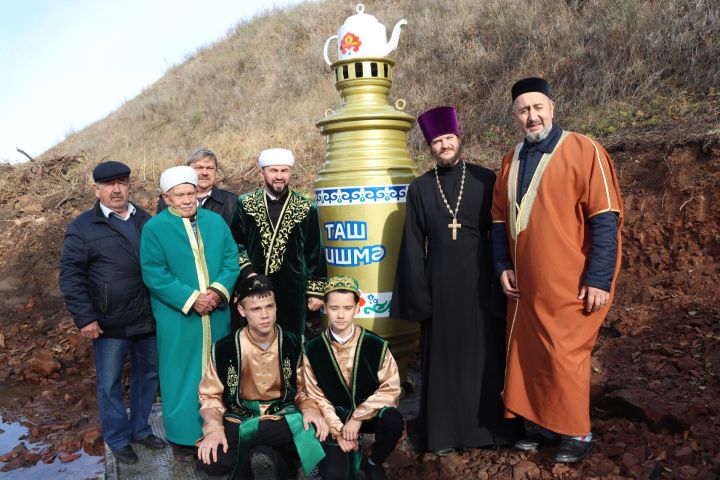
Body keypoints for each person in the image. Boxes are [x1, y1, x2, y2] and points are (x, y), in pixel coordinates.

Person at [491, 77, 623, 463]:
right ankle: (545, 427)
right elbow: (499, 221)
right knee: (531, 354)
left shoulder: (585, 150)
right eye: (523, 110)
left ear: (552, 107)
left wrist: (598, 278)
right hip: (525, 285)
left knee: (566, 354)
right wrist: (502, 265)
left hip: (570, 282)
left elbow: (604, 218)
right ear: (515, 115)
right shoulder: (510, 158)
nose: (531, 116)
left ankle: (577, 433)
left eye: (537, 108)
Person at [391, 106, 522, 455]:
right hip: (440, 289)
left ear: (459, 138)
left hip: (481, 284)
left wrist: (501, 277)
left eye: (448, 138)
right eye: (437, 141)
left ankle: (492, 432)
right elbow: (412, 246)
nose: (444, 145)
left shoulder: (484, 179)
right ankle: (443, 435)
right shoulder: (419, 189)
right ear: (430, 147)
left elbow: (501, 233)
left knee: (485, 358)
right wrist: (420, 299)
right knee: (443, 361)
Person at [59, 161, 166, 464]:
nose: (116, 189)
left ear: (129, 185)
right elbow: (70, 276)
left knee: (149, 376)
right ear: (97, 189)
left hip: (148, 318)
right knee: (109, 383)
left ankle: (141, 429)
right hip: (108, 323)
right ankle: (118, 439)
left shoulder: (146, 220)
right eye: (108, 184)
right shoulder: (83, 227)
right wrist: (85, 318)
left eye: (122, 182)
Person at [140, 166, 239, 462]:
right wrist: (192, 298)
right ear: (166, 197)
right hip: (178, 318)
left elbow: (231, 260)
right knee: (179, 375)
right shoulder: (154, 229)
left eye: (190, 193)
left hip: (217, 313)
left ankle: (220, 429)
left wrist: (217, 292)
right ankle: (183, 438)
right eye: (179, 195)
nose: (186, 200)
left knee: (218, 370)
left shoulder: (215, 222)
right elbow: (154, 272)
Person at [195, 274, 327, 479]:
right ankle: (262, 455)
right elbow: (210, 396)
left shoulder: (294, 343)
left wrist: (310, 409)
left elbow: (304, 389)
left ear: (276, 307)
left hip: (283, 417)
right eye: (256, 309)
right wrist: (214, 428)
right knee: (210, 462)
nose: (264, 315)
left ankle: (269, 454)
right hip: (240, 417)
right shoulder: (224, 349)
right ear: (241, 310)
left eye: (269, 306)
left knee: (315, 431)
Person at [304, 276, 404, 480]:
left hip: (369, 415)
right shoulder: (313, 349)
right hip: (336, 418)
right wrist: (340, 431)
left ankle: (374, 462)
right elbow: (315, 395)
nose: (340, 315)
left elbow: (390, 389)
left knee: (394, 421)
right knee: (334, 475)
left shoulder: (375, 344)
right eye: (334, 308)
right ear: (325, 308)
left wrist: (358, 417)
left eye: (347, 308)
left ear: (357, 308)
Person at [230, 148, 327, 335]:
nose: (279, 176)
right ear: (262, 173)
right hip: (255, 287)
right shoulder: (245, 203)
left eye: (284, 171)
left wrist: (316, 291)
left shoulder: (306, 207)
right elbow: (235, 243)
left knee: (291, 341)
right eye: (274, 171)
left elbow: (314, 251)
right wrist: (248, 273)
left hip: (293, 290)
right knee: (256, 341)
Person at [156, 147, 237, 225]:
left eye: (210, 168)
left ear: (216, 171)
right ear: (187, 170)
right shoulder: (168, 200)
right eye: (199, 167)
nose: (204, 173)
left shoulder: (232, 202)